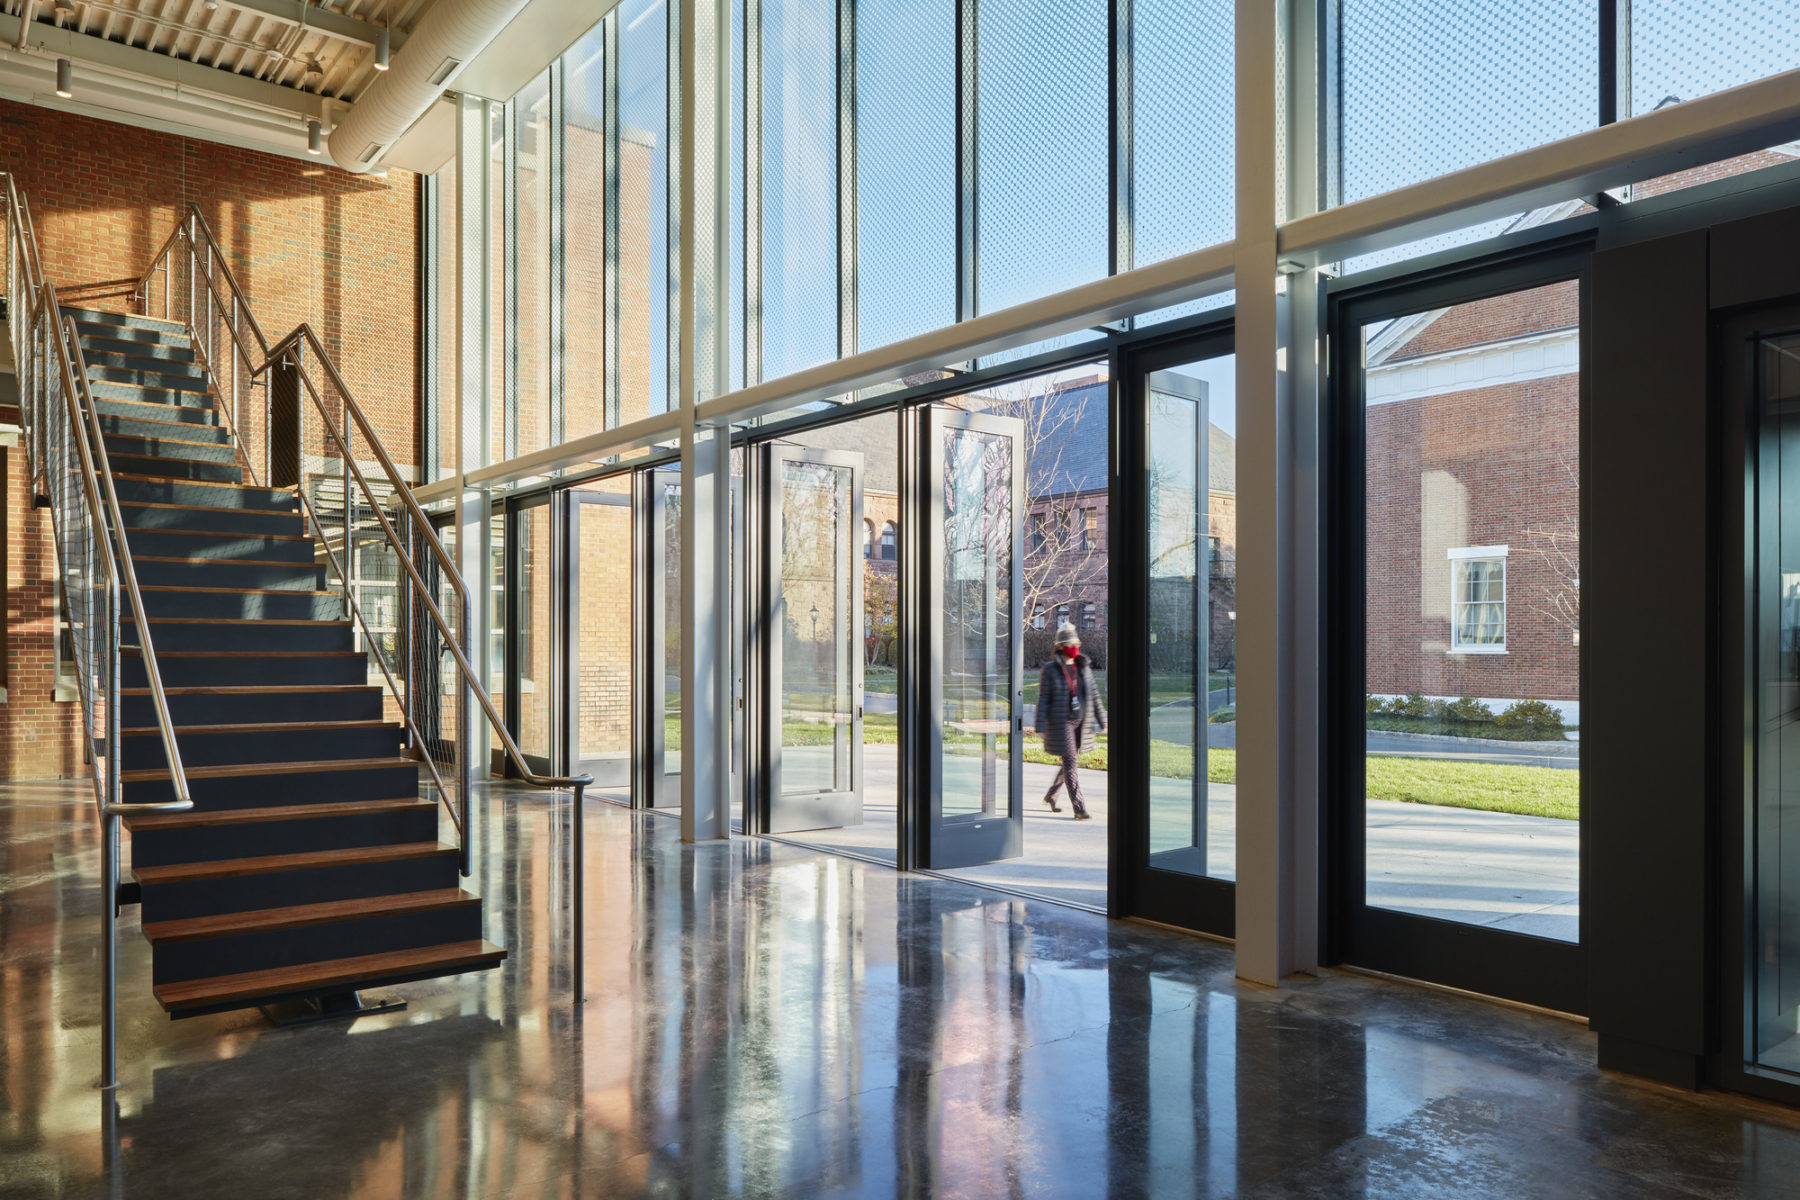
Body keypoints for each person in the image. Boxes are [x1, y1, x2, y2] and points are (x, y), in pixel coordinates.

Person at [1035, 621, 1106, 821]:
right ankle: (1079, 808)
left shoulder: (1083, 667)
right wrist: (1040, 726)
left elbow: (1094, 695)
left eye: (1075, 643)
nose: (1073, 647)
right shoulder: (1050, 670)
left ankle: (1051, 795)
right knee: (1071, 762)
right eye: (1068, 644)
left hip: (1081, 723)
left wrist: (1103, 720)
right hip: (1062, 723)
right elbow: (1043, 699)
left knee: (1069, 763)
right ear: (1059, 647)